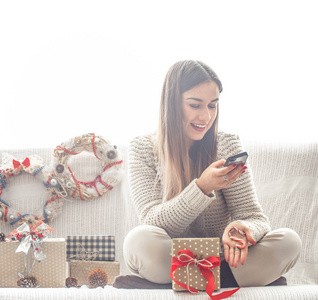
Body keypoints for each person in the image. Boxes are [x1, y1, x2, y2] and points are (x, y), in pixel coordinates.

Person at [113, 60, 301, 289]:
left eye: (212, 105)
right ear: (171, 104)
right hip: (173, 256)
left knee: (289, 241)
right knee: (139, 241)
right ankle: (219, 281)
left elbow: (255, 217)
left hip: (224, 260)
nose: (206, 117)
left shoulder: (226, 143)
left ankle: (183, 282)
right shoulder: (143, 148)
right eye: (195, 105)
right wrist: (201, 188)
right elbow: (152, 221)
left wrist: (241, 229)